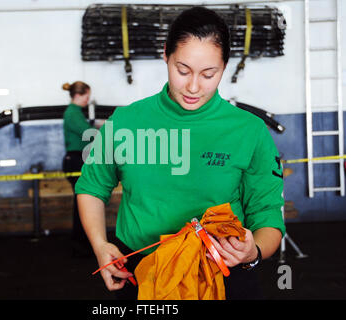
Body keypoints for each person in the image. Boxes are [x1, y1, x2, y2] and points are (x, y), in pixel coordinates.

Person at [75, 7, 285, 299]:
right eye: (182, 70)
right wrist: (100, 245)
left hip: (221, 273)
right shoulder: (126, 122)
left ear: (224, 66)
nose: (193, 86)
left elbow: (267, 213)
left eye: (209, 74)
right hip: (143, 274)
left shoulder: (250, 131)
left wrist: (253, 251)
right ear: (165, 55)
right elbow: (91, 187)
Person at [62, 81, 95, 257]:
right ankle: (80, 242)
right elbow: (87, 133)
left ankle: (82, 241)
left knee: (82, 202)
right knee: (82, 203)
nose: (88, 100)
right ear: (78, 95)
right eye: (86, 96)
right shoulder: (73, 113)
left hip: (76, 159)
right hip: (75, 160)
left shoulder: (75, 113)